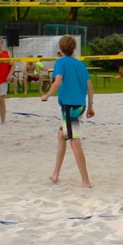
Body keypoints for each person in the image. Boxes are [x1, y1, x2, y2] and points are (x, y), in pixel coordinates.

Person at [41, 35, 95, 187]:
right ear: (74, 48)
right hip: (79, 105)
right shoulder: (80, 64)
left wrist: (46, 95)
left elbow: (57, 81)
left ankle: (86, 181)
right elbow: (90, 86)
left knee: (74, 141)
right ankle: (56, 173)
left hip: (70, 106)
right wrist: (90, 106)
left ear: (61, 48)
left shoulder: (61, 62)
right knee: (61, 135)